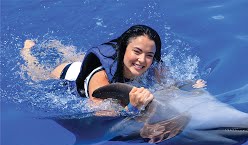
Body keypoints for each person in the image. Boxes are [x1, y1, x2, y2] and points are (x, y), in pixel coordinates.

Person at [21, 25, 206, 113]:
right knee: (37, 75)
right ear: (123, 49)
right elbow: (101, 113)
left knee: (79, 56)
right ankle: (27, 52)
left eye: (149, 55)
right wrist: (132, 107)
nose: (142, 60)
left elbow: (168, 87)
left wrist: (188, 87)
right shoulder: (100, 78)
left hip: (100, 66)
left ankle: (64, 49)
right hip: (68, 73)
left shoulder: (153, 65)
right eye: (137, 51)